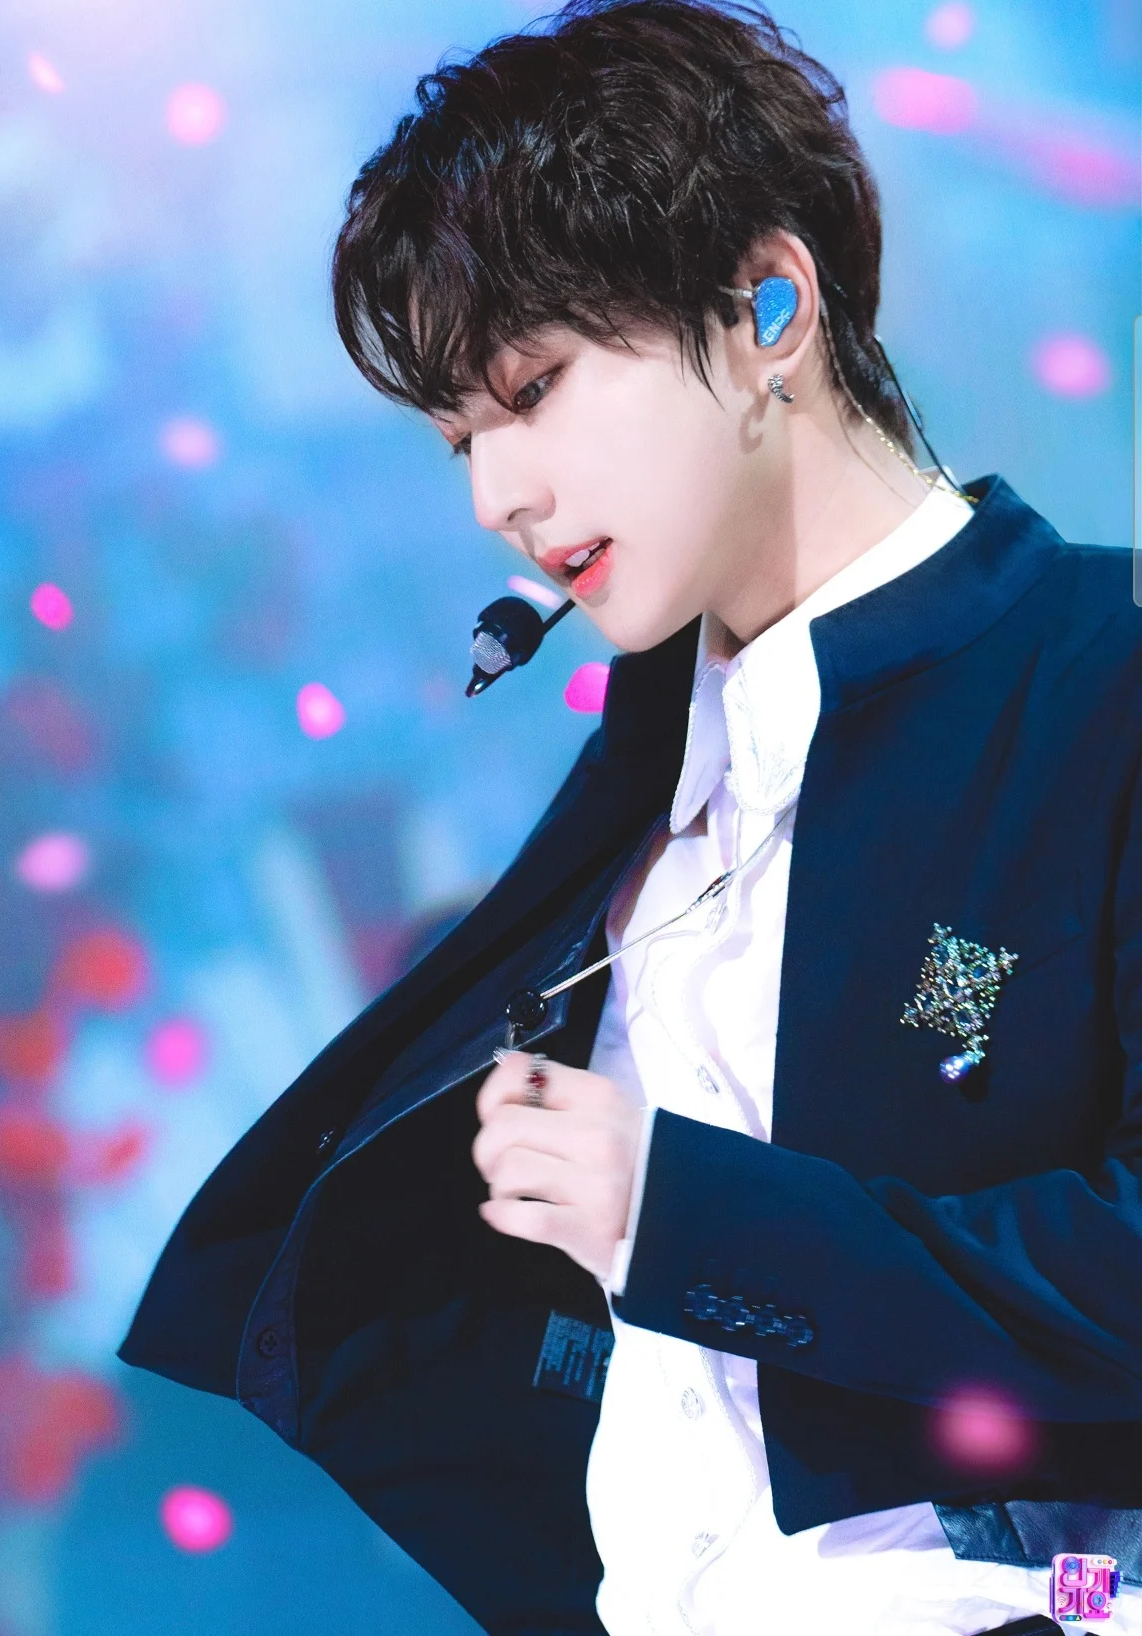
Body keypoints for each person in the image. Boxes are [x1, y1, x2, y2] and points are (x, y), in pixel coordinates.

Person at [118, 3, 1142, 1634]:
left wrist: (685, 1216)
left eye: (532, 390)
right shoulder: (644, 773)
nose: (494, 496)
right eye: (460, 435)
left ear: (769, 305)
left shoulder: (1099, 679)